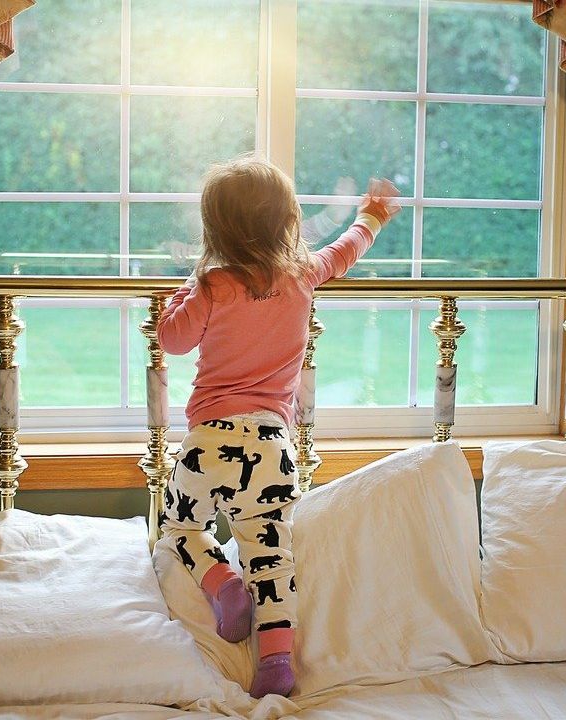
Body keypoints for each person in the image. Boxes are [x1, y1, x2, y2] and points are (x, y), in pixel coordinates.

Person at [157, 156, 400, 698]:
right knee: (271, 555)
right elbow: (344, 253)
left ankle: (222, 585)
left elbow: (172, 339)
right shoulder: (302, 274)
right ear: (286, 220)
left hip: (209, 442)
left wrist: (179, 293)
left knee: (178, 528)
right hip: (269, 445)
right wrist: (373, 218)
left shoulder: (213, 285)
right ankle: (276, 663)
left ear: (216, 228)